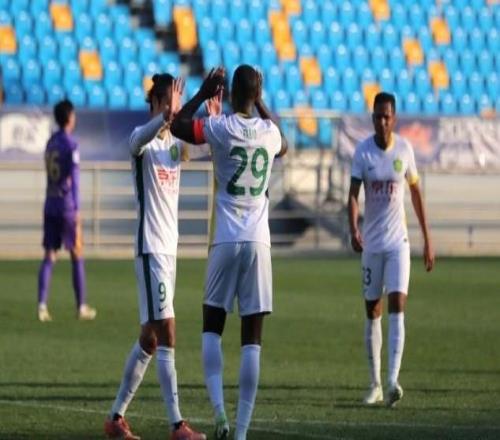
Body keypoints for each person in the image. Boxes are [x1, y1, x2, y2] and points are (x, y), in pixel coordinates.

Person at [171, 65, 287, 440]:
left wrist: (203, 93)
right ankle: (241, 433)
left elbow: (178, 125)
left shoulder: (220, 128)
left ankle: (219, 413)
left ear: (231, 93)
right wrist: (260, 102)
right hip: (258, 242)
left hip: (224, 239)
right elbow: (285, 144)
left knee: (212, 328)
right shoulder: (270, 132)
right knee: (252, 339)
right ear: (257, 94)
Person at [104, 74, 205, 440]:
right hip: (150, 249)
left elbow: (201, 144)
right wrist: (166, 117)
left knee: (149, 339)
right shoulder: (141, 140)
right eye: (168, 103)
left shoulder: (175, 144)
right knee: (167, 331)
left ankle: (115, 419)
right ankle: (177, 424)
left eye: (175, 104)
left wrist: (207, 112)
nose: (173, 110)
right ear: (157, 104)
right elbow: (139, 139)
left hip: (169, 251)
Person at [347, 92, 435, 407]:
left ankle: (392, 380)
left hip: (399, 243)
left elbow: (416, 193)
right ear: (372, 118)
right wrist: (353, 228)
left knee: (398, 304)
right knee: (373, 311)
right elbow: (353, 194)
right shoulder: (363, 152)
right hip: (372, 244)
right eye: (377, 116)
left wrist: (427, 238)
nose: (382, 121)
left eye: (387, 116)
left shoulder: (404, 149)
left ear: (394, 119)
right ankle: (374, 384)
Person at [37, 99, 96, 322]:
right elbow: (75, 180)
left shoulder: (50, 142)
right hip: (66, 206)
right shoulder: (71, 145)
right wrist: (77, 208)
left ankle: (42, 305)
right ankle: (81, 307)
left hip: (50, 202)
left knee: (49, 255)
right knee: (77, 253)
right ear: (70, 117)